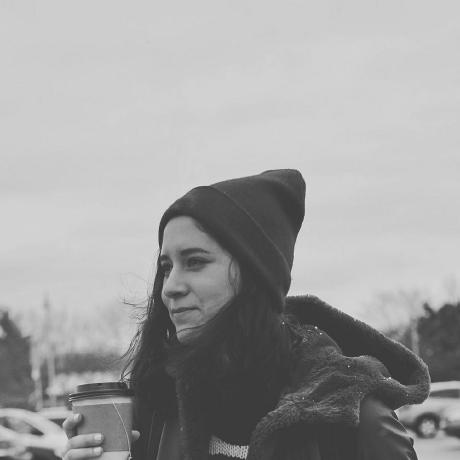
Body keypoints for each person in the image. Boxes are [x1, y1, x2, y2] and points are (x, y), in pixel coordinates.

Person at [63, 169, 430, 460]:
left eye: (195, 262)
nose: (169, 286)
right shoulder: (156, 411)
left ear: (256, 278)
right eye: (165, 266)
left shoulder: (351, 420)